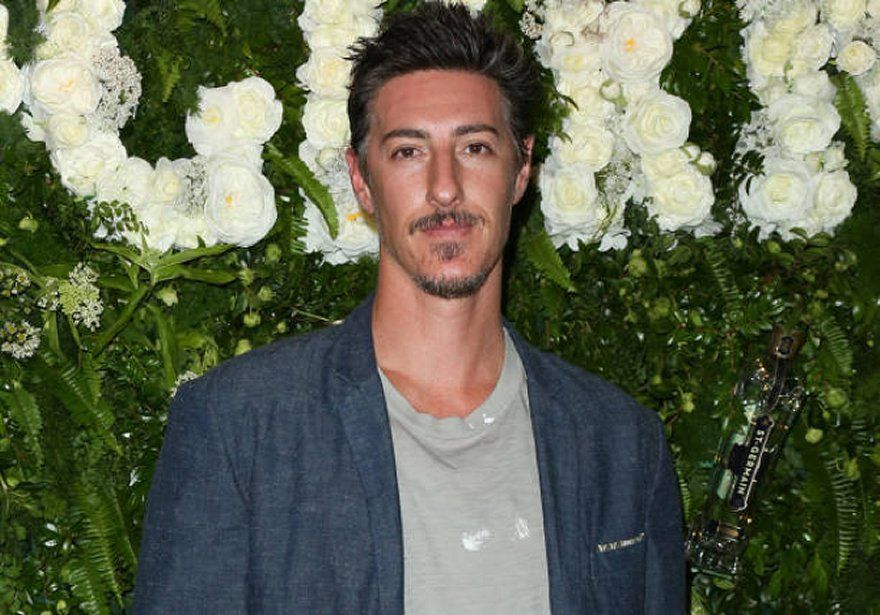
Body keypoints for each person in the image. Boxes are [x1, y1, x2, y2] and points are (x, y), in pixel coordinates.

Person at [133, 3, 685, 613]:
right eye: (408, 152)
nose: (445, 187)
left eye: (475, 147)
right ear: (361, 179)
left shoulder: (621, 443)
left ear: (521, 168)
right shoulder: (241, 426)